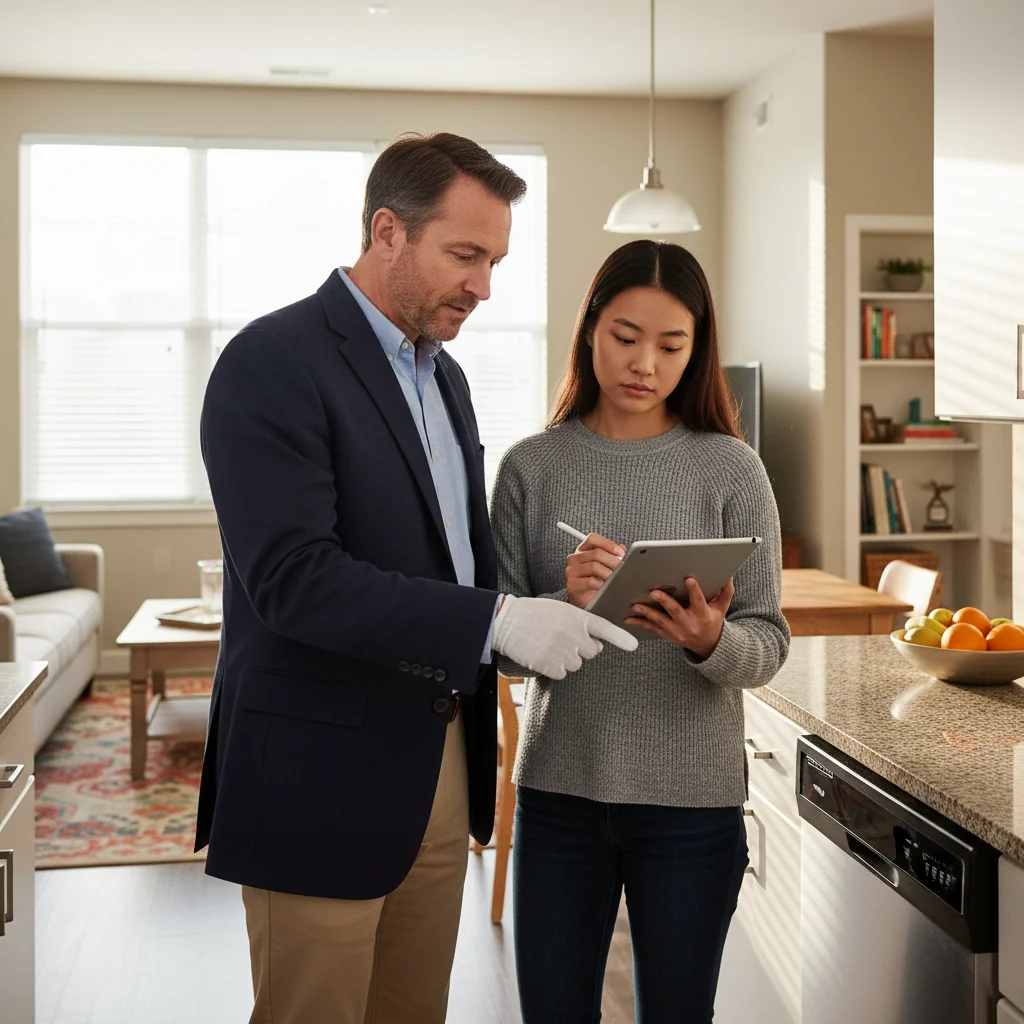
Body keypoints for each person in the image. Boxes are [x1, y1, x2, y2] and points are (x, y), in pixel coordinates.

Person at [195, 132, 637, 1024]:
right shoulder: (272, 362)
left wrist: (540, 606)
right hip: (318, 777)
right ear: (387, 231)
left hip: (438, 764)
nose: (482, 285)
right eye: (464, 255)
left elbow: (440, 565)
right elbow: (294, 580)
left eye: (494, 260)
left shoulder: (449, 379)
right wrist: (496, 622)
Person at [491, 239, 791, 1023]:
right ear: (591, 329)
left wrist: (706, 640)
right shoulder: (530, 467)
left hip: (694, 806)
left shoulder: (732, 469)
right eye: (625, 337)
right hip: (560, 794)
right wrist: (565, 596)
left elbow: (768, 643)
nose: (645, 364)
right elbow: (493, 639)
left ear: (698, 352)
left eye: (671, 345)